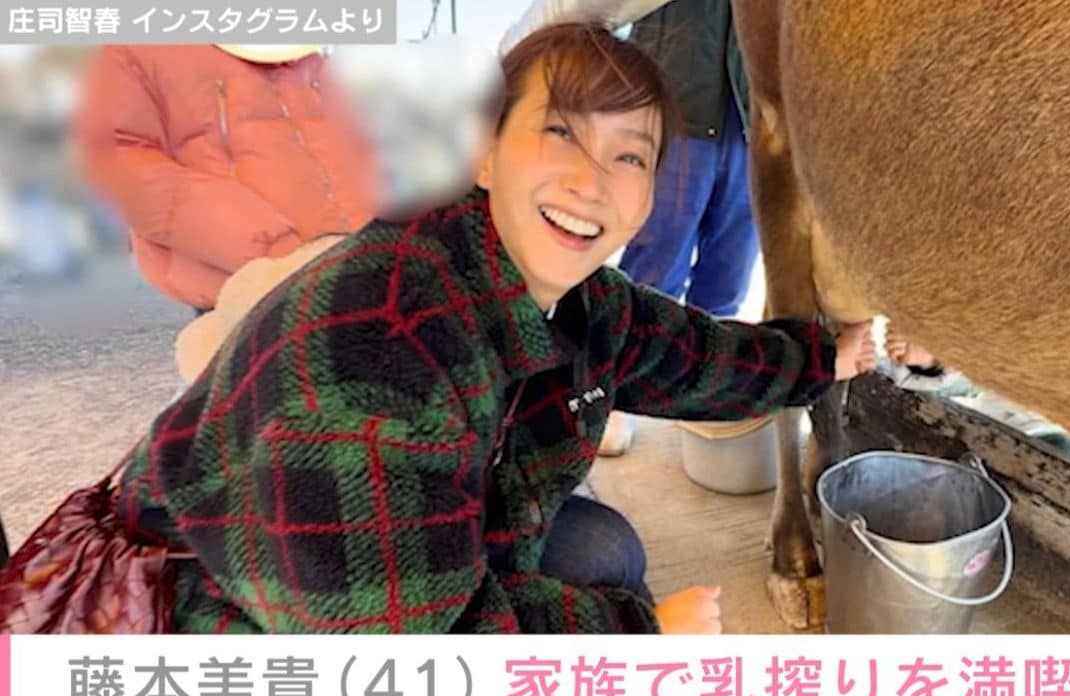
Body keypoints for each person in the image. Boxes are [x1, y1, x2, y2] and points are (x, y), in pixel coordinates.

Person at [114, 23, 876, 634]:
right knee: (604, 581)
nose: (591, 181)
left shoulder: (575, 294)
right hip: (231, 603)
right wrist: (637, 635)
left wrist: (830, 357)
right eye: (562, 134)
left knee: (604, 550)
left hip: (401, 538)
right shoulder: (385, 352)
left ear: (650, 194)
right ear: (484, 155)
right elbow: (397, 644)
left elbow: (686, 355)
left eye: (629, 155)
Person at [505, 0, 757, 456]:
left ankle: (708, 394)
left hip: (752, 120)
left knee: (729, 274)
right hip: (678, 109)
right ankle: (616, 395)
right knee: (657, 263)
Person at [75, 44, 378, 311]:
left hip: (359, 265)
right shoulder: (138, 49)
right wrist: (270, 247)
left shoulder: (297, 43)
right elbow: (122, 162)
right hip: (250, 282)